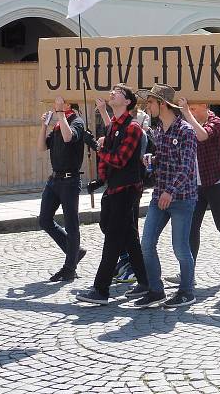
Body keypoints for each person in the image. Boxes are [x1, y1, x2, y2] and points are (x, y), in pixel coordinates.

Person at [76, 84, 149, 305]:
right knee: (127, 236)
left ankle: (101, 289)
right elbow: (108, 162)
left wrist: (101, 150)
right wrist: (100, 179)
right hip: (114, 188)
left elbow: (119, 159)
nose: (113, 93)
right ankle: (146, 283)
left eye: (118, 92)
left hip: (127, 189)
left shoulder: (134, 127)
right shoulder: (112, 127)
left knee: (113, 238)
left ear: (127, 101)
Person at [134, 84, 198, 309]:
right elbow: (163, 162)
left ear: (162, 104)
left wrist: (171, 191)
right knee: (147, 244)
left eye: (150, 102)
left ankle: (187, 291)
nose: (147, 106)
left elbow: (187, 167)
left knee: (180, 248)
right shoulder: (158, 130)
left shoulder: (186, 131)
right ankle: (156, 290)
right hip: (159, 196)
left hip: (181, 198)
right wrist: (151, 160)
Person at [172, 98, 220, 284]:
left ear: (205, 106)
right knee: (192, 227)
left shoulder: (216, 123)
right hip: (198, 183)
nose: (191, 111)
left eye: (194, 108)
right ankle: (189, 272)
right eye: (190, 109)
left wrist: (186, 113)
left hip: (215, 181)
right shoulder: (191, 123)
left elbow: (203, 135)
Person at [37, 96, 86, 282]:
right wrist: (44, 125)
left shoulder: (77, 121)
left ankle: (69, 268)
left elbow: (68, 137)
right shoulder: (58, 124)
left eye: (61, 101)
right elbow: (41, 147)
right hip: (54, 180)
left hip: (70, 181)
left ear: (68, 104)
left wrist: (59, 115)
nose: (56, 103)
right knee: (44, 220)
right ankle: (74, 251)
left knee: (71, 225)